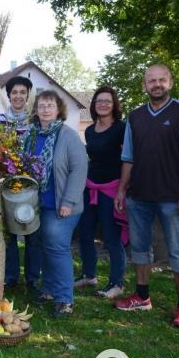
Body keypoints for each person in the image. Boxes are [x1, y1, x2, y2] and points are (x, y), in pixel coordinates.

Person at [113, 64, 179, 330]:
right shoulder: (136, 117)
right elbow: (128, 158)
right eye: (151, 80)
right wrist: (121, 189)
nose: (157, 84)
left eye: (162, 80)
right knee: (140, 249)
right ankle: (142, 297)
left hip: (172, 197)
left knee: (178, 251)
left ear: (170, 83)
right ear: (144, 85)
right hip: (138, 195)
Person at [22, 90, 88, 318]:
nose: (46, 110)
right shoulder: (31, 135)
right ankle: (49, 289)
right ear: (36, 110)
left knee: (57, 247)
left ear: (58, 109)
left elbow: (79, 170)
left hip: (62, 203)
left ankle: (64, 299)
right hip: (36, 203)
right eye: (41, 106)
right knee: (44, 245)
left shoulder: (68, 136)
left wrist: (68, 201)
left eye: (50, 105)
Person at [75, 86, 128, 299]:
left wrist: (122, 190)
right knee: (85, 232)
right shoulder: (89, 130)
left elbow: (127, 160)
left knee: (111, 236)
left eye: (107, 101)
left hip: (112, 189)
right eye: (99, 101)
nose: (103, 104)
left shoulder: (121, 128)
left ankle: (117, 283)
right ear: (94, 105)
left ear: (114, 104)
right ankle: (89, 275)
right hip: (90, 186)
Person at [0, 76, 40, 291]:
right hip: (7, 180)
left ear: (28, 95)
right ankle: (11, 276)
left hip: (31, 182)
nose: (18, 96)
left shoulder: (36, 121)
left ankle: (32, 278)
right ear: (9, 95)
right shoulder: (0, 120)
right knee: (10, 232)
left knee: (32, 230)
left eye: (23, 92)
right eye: (15, 92)